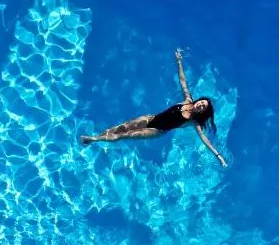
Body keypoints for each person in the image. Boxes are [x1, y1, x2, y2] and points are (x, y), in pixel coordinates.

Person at [80, 49, 228, 167]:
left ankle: (95, 139)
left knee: (124, 135)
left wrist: (218, 156)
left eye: (203, 107)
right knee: (122, 127)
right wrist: (179, 62)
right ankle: (103, 135)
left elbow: (204, 140)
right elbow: (183, 81)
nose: (200, 105)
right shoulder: (187, 100)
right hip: (151, 117)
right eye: (201, 102)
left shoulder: (194, 122)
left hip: (156, 130)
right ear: (198, 101)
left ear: (203, 112)